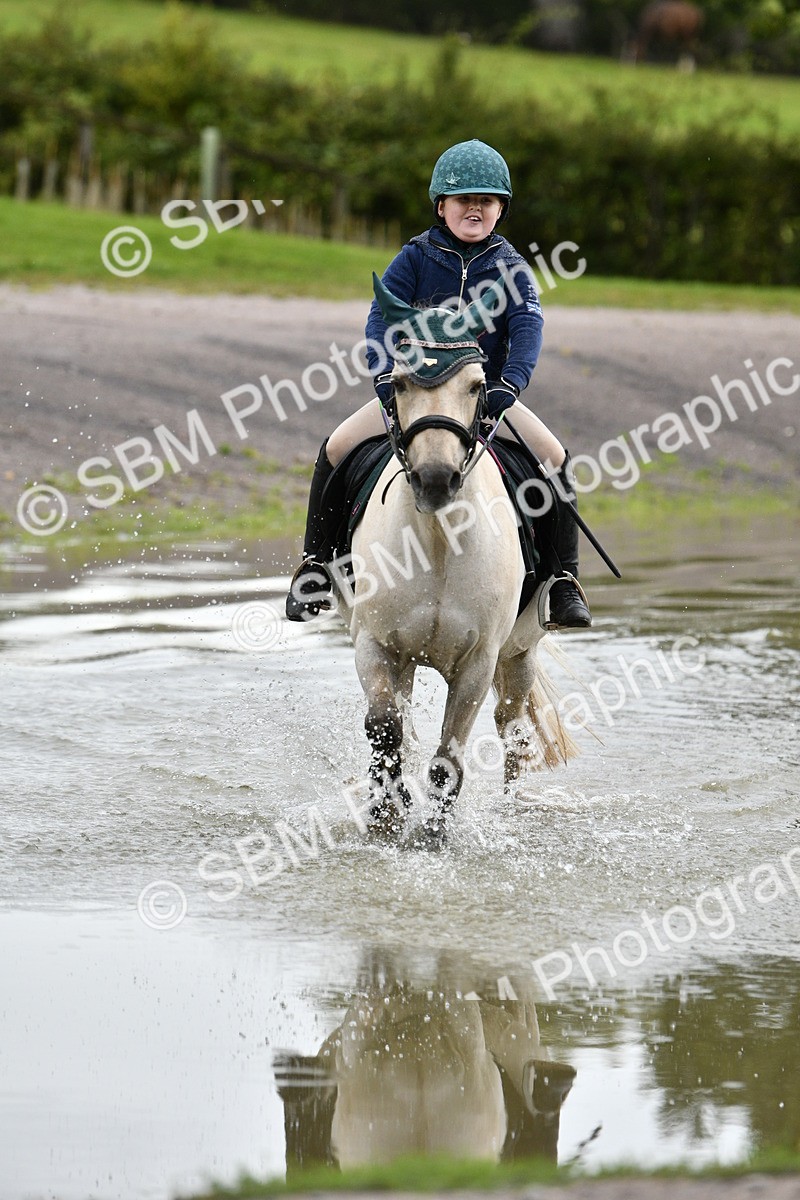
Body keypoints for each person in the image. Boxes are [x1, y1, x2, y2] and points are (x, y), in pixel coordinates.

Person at [285, 139, 592, 629]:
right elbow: (378, 322)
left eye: (486, 201)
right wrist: (387, 380)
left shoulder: (511, 268)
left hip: (481, 396)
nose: (475, 207)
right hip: (415, 392)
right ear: (441, 206)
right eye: (464, 199)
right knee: (337, 448)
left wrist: (508, 386)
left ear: (500, 210)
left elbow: (528, 331)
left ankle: (563, 582)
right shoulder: (414, 257)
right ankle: (316, 566)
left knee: (554, 457)